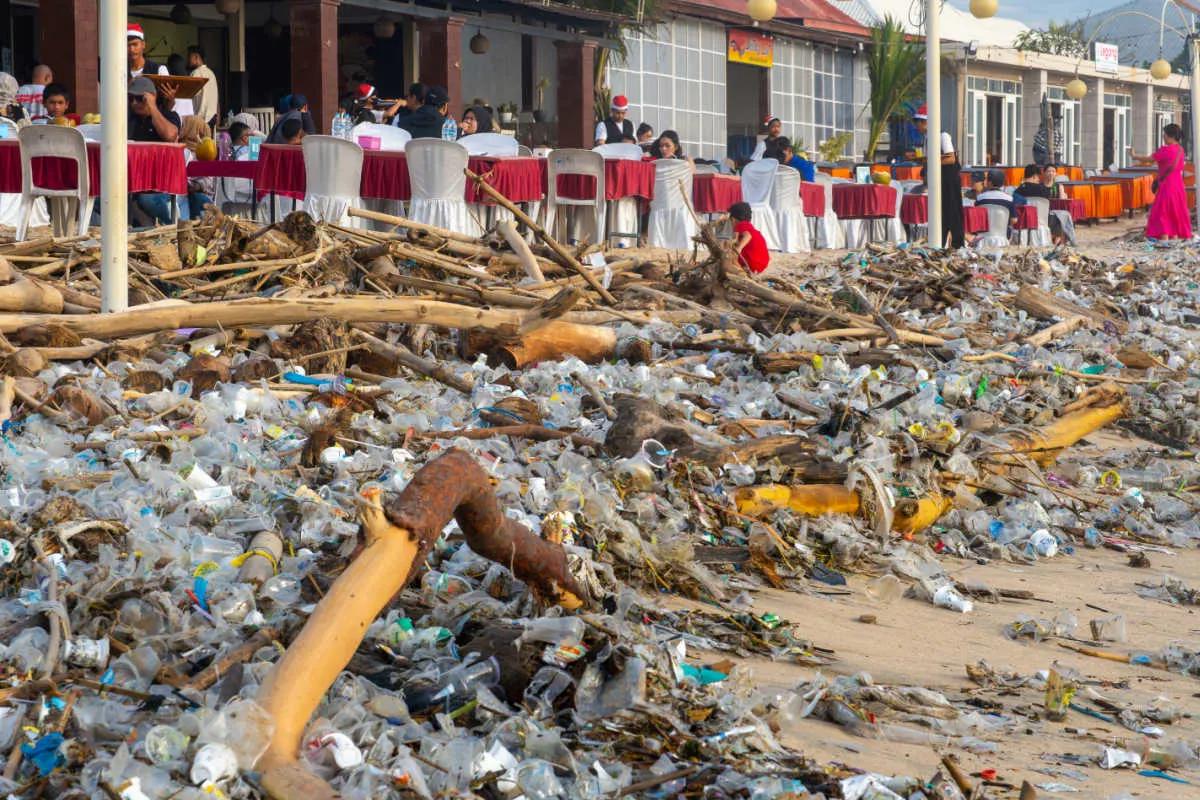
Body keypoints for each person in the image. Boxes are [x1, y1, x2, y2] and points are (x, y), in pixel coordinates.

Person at [127, 76, 181, 225]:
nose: (134, 103)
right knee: (99, 198)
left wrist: (152, 106)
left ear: (152, 97)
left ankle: (173, 226)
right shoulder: (130, 119)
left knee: (146, 199)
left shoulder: (168, 116)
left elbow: (170, 135)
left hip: (159, 182)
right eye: (130, 98)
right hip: (133, 179)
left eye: (139, 98)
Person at [1129, 123, 1193, 243]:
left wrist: (1134, 156)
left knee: (1163, 212)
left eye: (1164, 136)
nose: (1163, 138)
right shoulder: (1180, 150)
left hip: (1167, 185)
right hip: (1178, 185)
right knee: (1175, 211)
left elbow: (1150, 159)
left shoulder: (1166, 150)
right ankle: (1174, 239)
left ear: (1170, 137)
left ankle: (1164, 239)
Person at [913, 107, 965, 248]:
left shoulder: (943, 136)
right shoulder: (926, 138)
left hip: (949, 178)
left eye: (919, 122)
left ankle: (957, 244)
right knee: (940, 212)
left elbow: (951, 159)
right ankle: (939, 243)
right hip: (938, 178)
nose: (916, 125)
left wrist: (930, 162)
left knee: (952, 211)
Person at [178, 116, 214, 220]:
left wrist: (196, 187)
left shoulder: (206, 154)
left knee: (198, 199)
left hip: (199, 195)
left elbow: (208, 182)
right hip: (181, 194)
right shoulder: (179, 151)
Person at [728, 202, 769, 276]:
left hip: (753, 264)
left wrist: (739, 248)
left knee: (725, 261)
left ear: (733, 219)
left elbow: (748, 235)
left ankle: (741, 273)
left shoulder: (740, 225)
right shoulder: (749, 227)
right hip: (761, 264)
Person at [188, 45, 219, 127]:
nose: (188, 60)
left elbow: (190, 95)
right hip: (212, 117)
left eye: (189, 56)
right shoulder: (211, 73)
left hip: (200, 118)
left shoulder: (195, 73)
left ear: (196, 57)